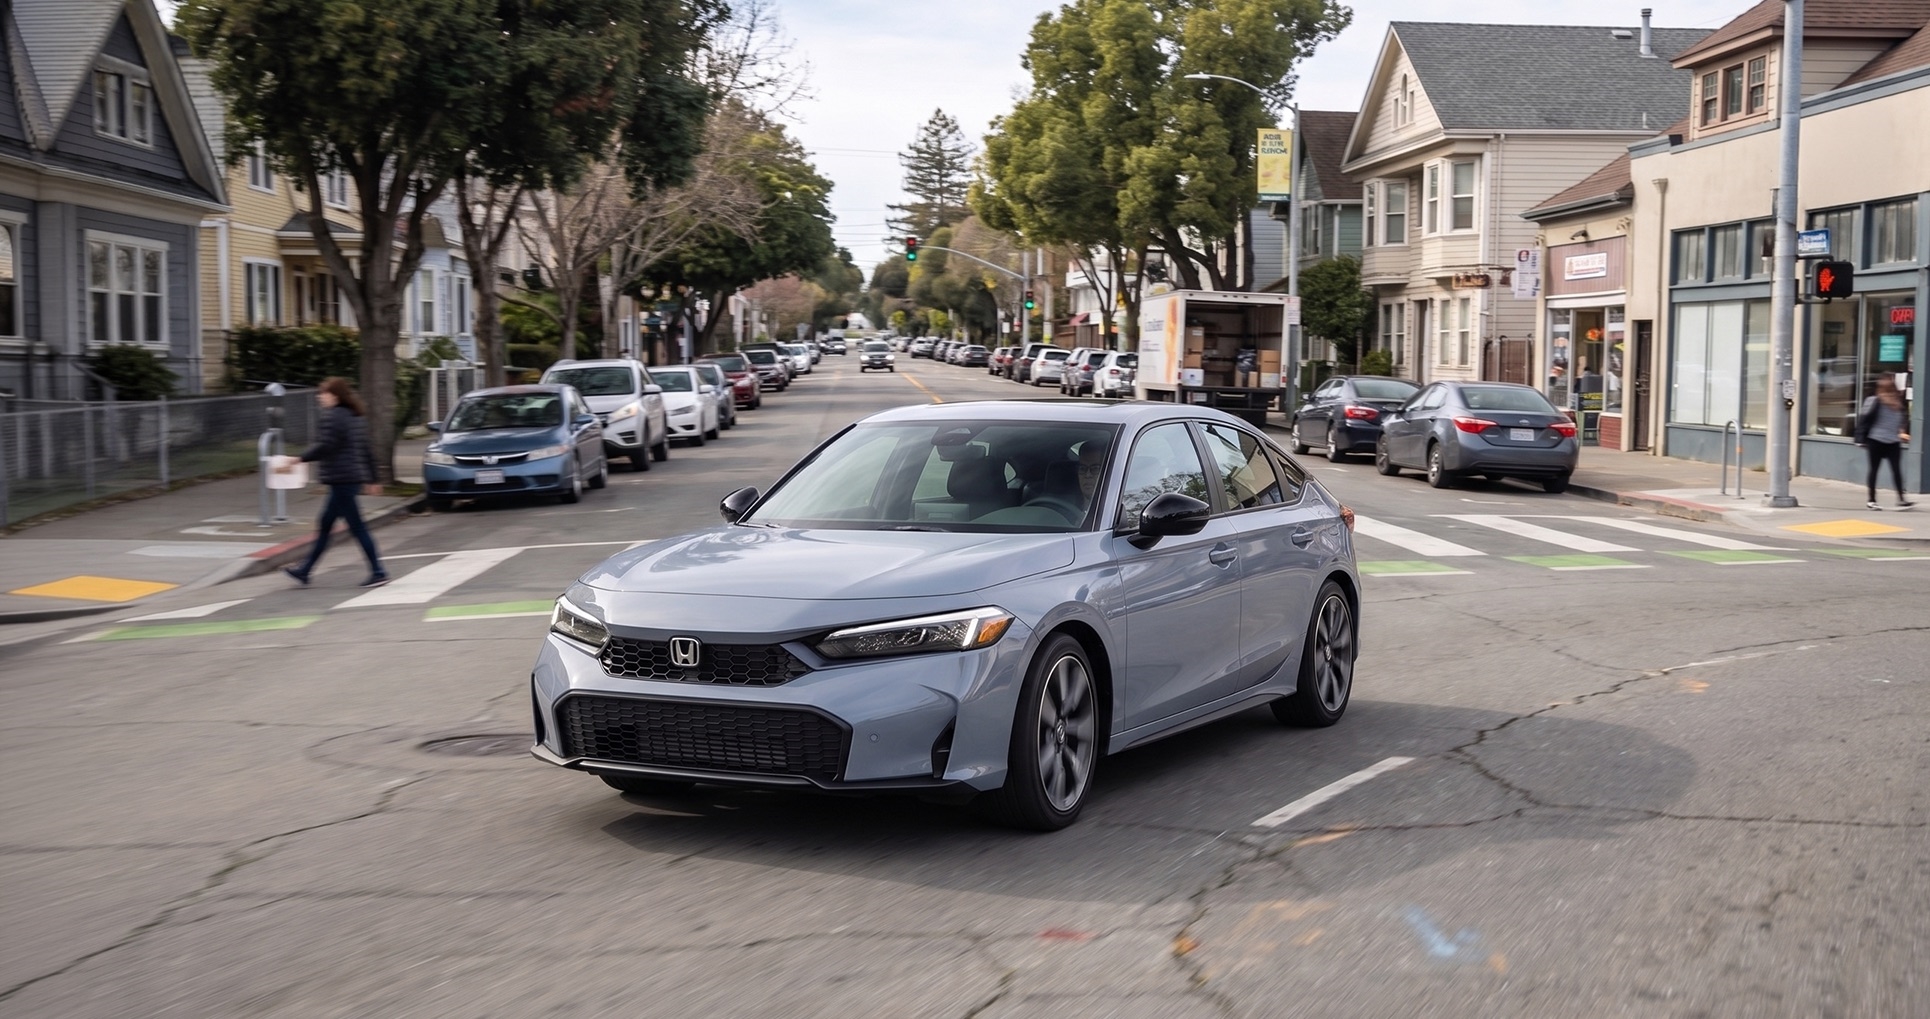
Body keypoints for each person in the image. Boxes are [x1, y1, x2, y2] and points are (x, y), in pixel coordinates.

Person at [278, 377, 390, 586]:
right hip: (350, 479)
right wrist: (373, 478)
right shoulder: (355, 416)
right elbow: (366, 450)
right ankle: (305, 570)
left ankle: (378, 571)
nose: (320, 397)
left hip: (342, 480)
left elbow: (325, 446)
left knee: (357, 527)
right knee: (326, 524)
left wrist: (299, 459)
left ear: (335, 396)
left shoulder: (333, 417)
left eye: (323, 393)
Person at [1853, 373, 1914, 510]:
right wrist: (1859, 439)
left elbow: (1902, 419)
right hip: (1876, 440)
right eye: (1888, 386)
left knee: (1896, 470)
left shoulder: (1897, 403)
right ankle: (1872, 500)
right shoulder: (1874, 401)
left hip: (1893, 441)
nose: (1891, 389)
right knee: (1874, 470)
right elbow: (1864, 421)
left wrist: (1901, 430)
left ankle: (1901, 499)